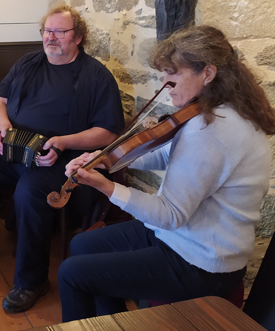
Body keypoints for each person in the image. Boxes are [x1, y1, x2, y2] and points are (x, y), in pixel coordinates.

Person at [57, 25, 275, 322]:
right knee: (82, 244)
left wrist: (107, 187)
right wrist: (109, 160)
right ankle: (116, 323)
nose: (165, 81)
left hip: (203, 260)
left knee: (72, 273)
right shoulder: (219, 109)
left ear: (208, 73)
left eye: (173, 73)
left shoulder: (213, 129)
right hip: (180, 237)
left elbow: (171, 214)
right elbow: (167, 154)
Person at [0, 5, 125, 313]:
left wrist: (65, 141)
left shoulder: (97, 76)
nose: (51, 38)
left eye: (60, 32)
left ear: (78, 37)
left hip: (62, 158)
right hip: (14, 148)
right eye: (46, 31)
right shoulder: (28, 63)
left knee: (30, 194)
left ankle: (32, 281)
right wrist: (4, 130)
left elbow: (107, 132)